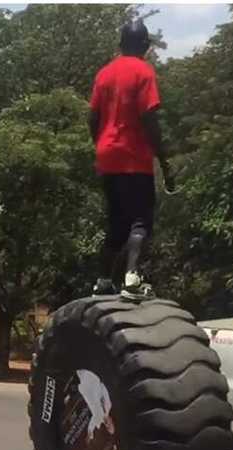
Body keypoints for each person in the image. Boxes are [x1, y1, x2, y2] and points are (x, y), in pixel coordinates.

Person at [88, 19, 175, 296]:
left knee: (116, 220)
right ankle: (132, 278)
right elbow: (149, 118)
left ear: (120, 44)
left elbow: (92, 117)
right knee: (140, 220)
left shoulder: (104, 73)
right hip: (134, 157)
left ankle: (103, 281)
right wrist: (163, 158)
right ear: (145, 46)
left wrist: (102, 145)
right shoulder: (143, 71)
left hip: (107, 156)